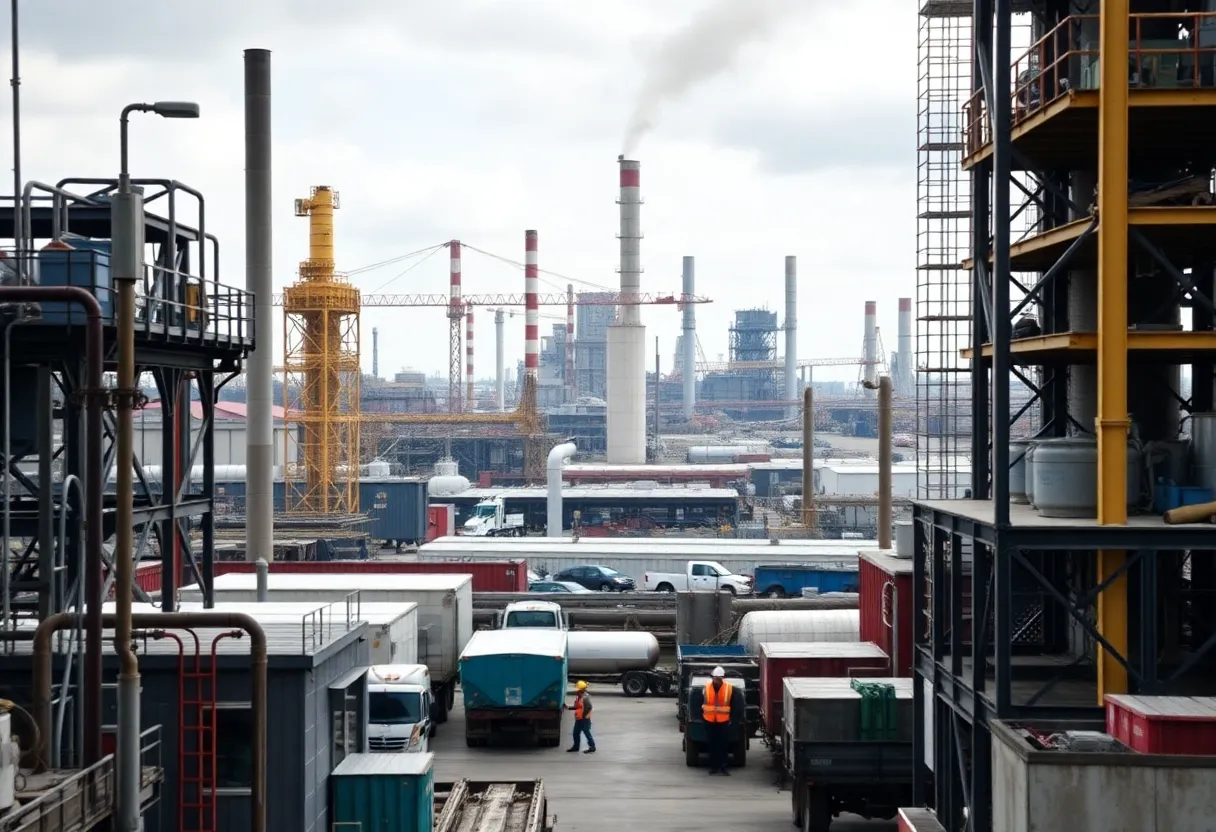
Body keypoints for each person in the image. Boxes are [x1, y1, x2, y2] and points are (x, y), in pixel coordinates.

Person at [702, 666, 736, 775]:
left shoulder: (729, 688)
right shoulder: (706, 688)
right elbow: (701, 703)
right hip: (709, 721)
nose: (716, 680)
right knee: (712, 744)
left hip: (723, 721)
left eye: (719, 678)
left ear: (722, 678)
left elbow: (735, 705)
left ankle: (723, 766)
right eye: (715, 678)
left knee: (722, 745)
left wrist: (733, 719)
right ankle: (714, 766)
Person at [566, 680, 596, 753]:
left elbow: (590, 708)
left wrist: (586, 716)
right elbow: (577, 707)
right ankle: (576, 747)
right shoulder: (578, 697)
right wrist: (569, 707)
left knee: (586, 732)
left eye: (577, 689)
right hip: (579, 718)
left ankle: (592, 746)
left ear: (581, 690)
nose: (576, 691)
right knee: (575, 733)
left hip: (584, 719)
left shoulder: (584, 698)